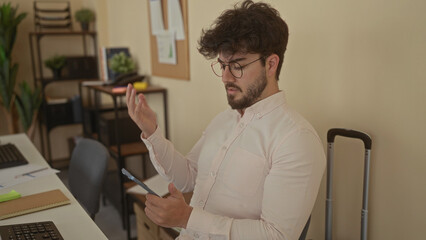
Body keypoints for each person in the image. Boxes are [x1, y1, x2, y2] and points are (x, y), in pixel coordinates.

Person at [126, 0, 325, 239]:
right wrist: (152, 133)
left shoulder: (296, 140)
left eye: (237, 66)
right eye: (222, 65)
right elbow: (188, 177)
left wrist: (187, 218)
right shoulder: (224, 120)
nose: (225, 77)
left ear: (271, 64)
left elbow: (277, 235)